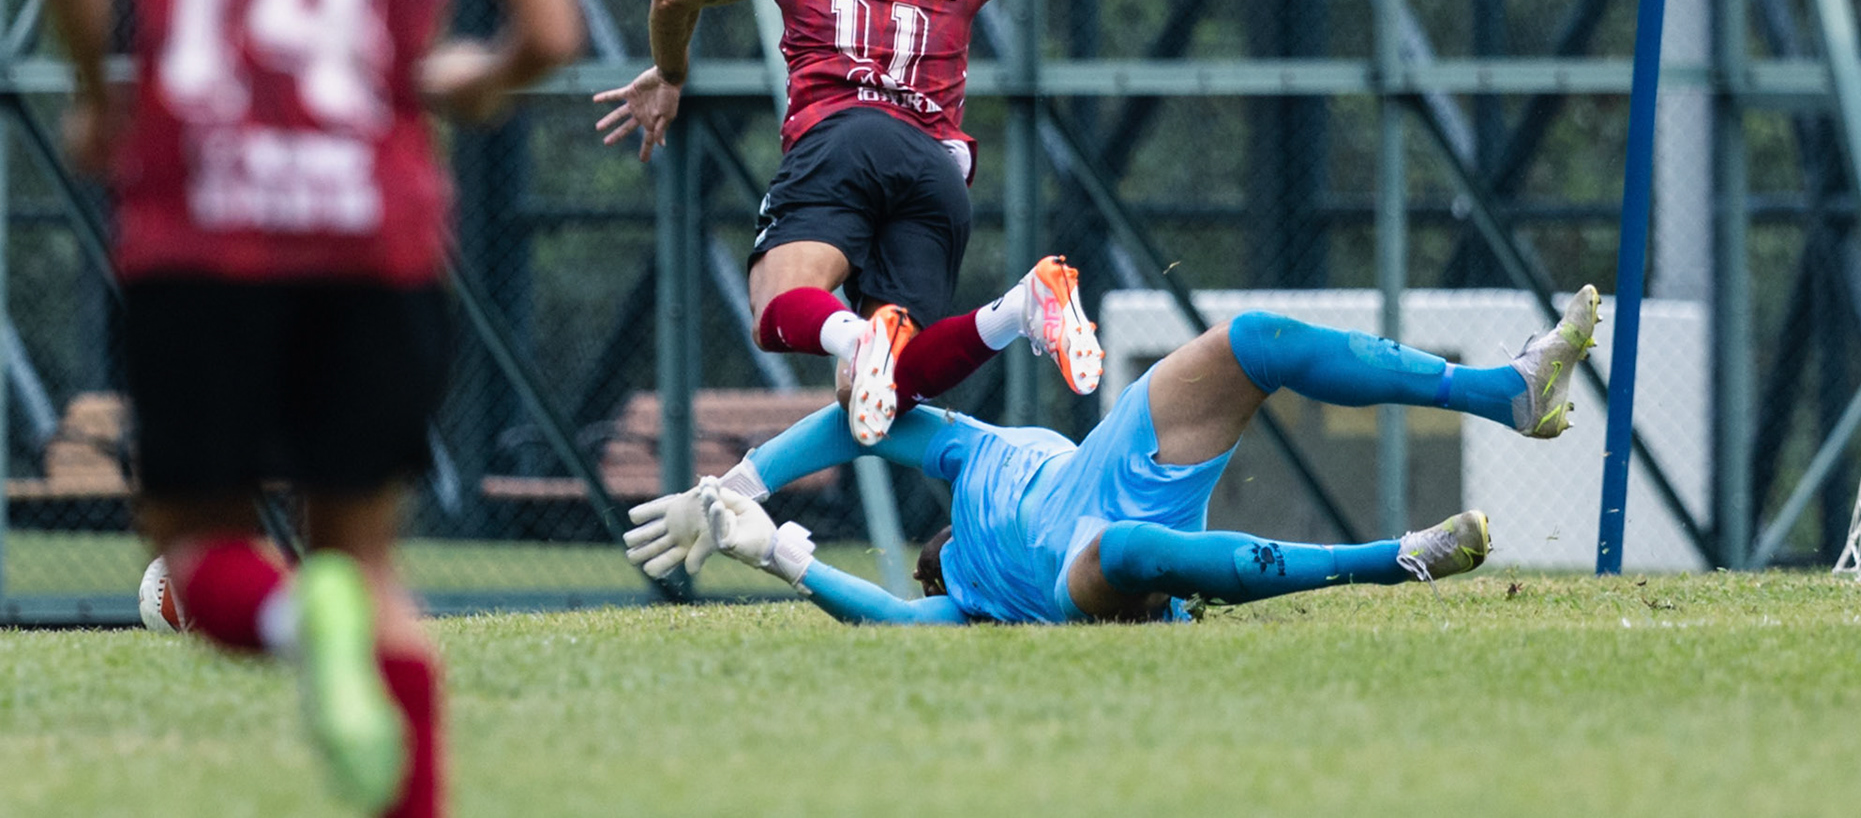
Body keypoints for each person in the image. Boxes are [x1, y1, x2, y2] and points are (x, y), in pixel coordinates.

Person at [38, 0, 582, 813]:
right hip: (372, 225)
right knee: (371, 569)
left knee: (197, 546)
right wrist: (452, 86)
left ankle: (293, 630)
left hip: (199, 219)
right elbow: (549, 30)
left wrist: (92, 98)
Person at [593, 0, 1124, 444]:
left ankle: (861, 334)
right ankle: (1021, 309)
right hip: (936, 170)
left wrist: (669, 74)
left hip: (841, 142)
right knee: (872, 392)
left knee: (775, 305)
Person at [629, 288, 1602, 624]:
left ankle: (1503, 391)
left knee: (1253, 338)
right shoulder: (972, 594)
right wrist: (778, 554)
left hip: (1111, 460)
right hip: (1077, 565)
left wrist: (739, 486)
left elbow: (866, 419)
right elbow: (889, 617)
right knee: (1128, 552)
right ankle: (1392, 559)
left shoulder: (976, 457)